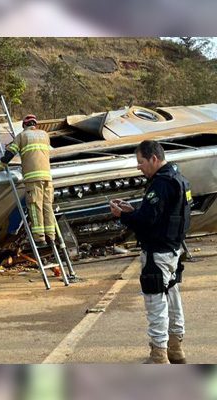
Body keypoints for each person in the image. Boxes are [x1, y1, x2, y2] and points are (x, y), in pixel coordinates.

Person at [110, 140, 190, 364]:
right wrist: (134, 211)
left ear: (154, 158)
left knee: (156, 304)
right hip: (173, 250)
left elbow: (147, 221)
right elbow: (163, 216)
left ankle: (159, 354)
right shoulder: (179, 179)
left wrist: (122, 216)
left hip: (157, 254)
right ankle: (175, 348)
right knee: (173, 299)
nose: (139, 167)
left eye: (141, 162)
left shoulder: (160, 184)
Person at [0, 114, 54, 248]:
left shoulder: (22, 136)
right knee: (47, 205)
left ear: (24, 125)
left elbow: (9, 154)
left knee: (35, 205)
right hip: (47, 177)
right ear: (35, 124)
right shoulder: (45, 135)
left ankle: (40, 238)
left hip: (33, 178)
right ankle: (51, 236)